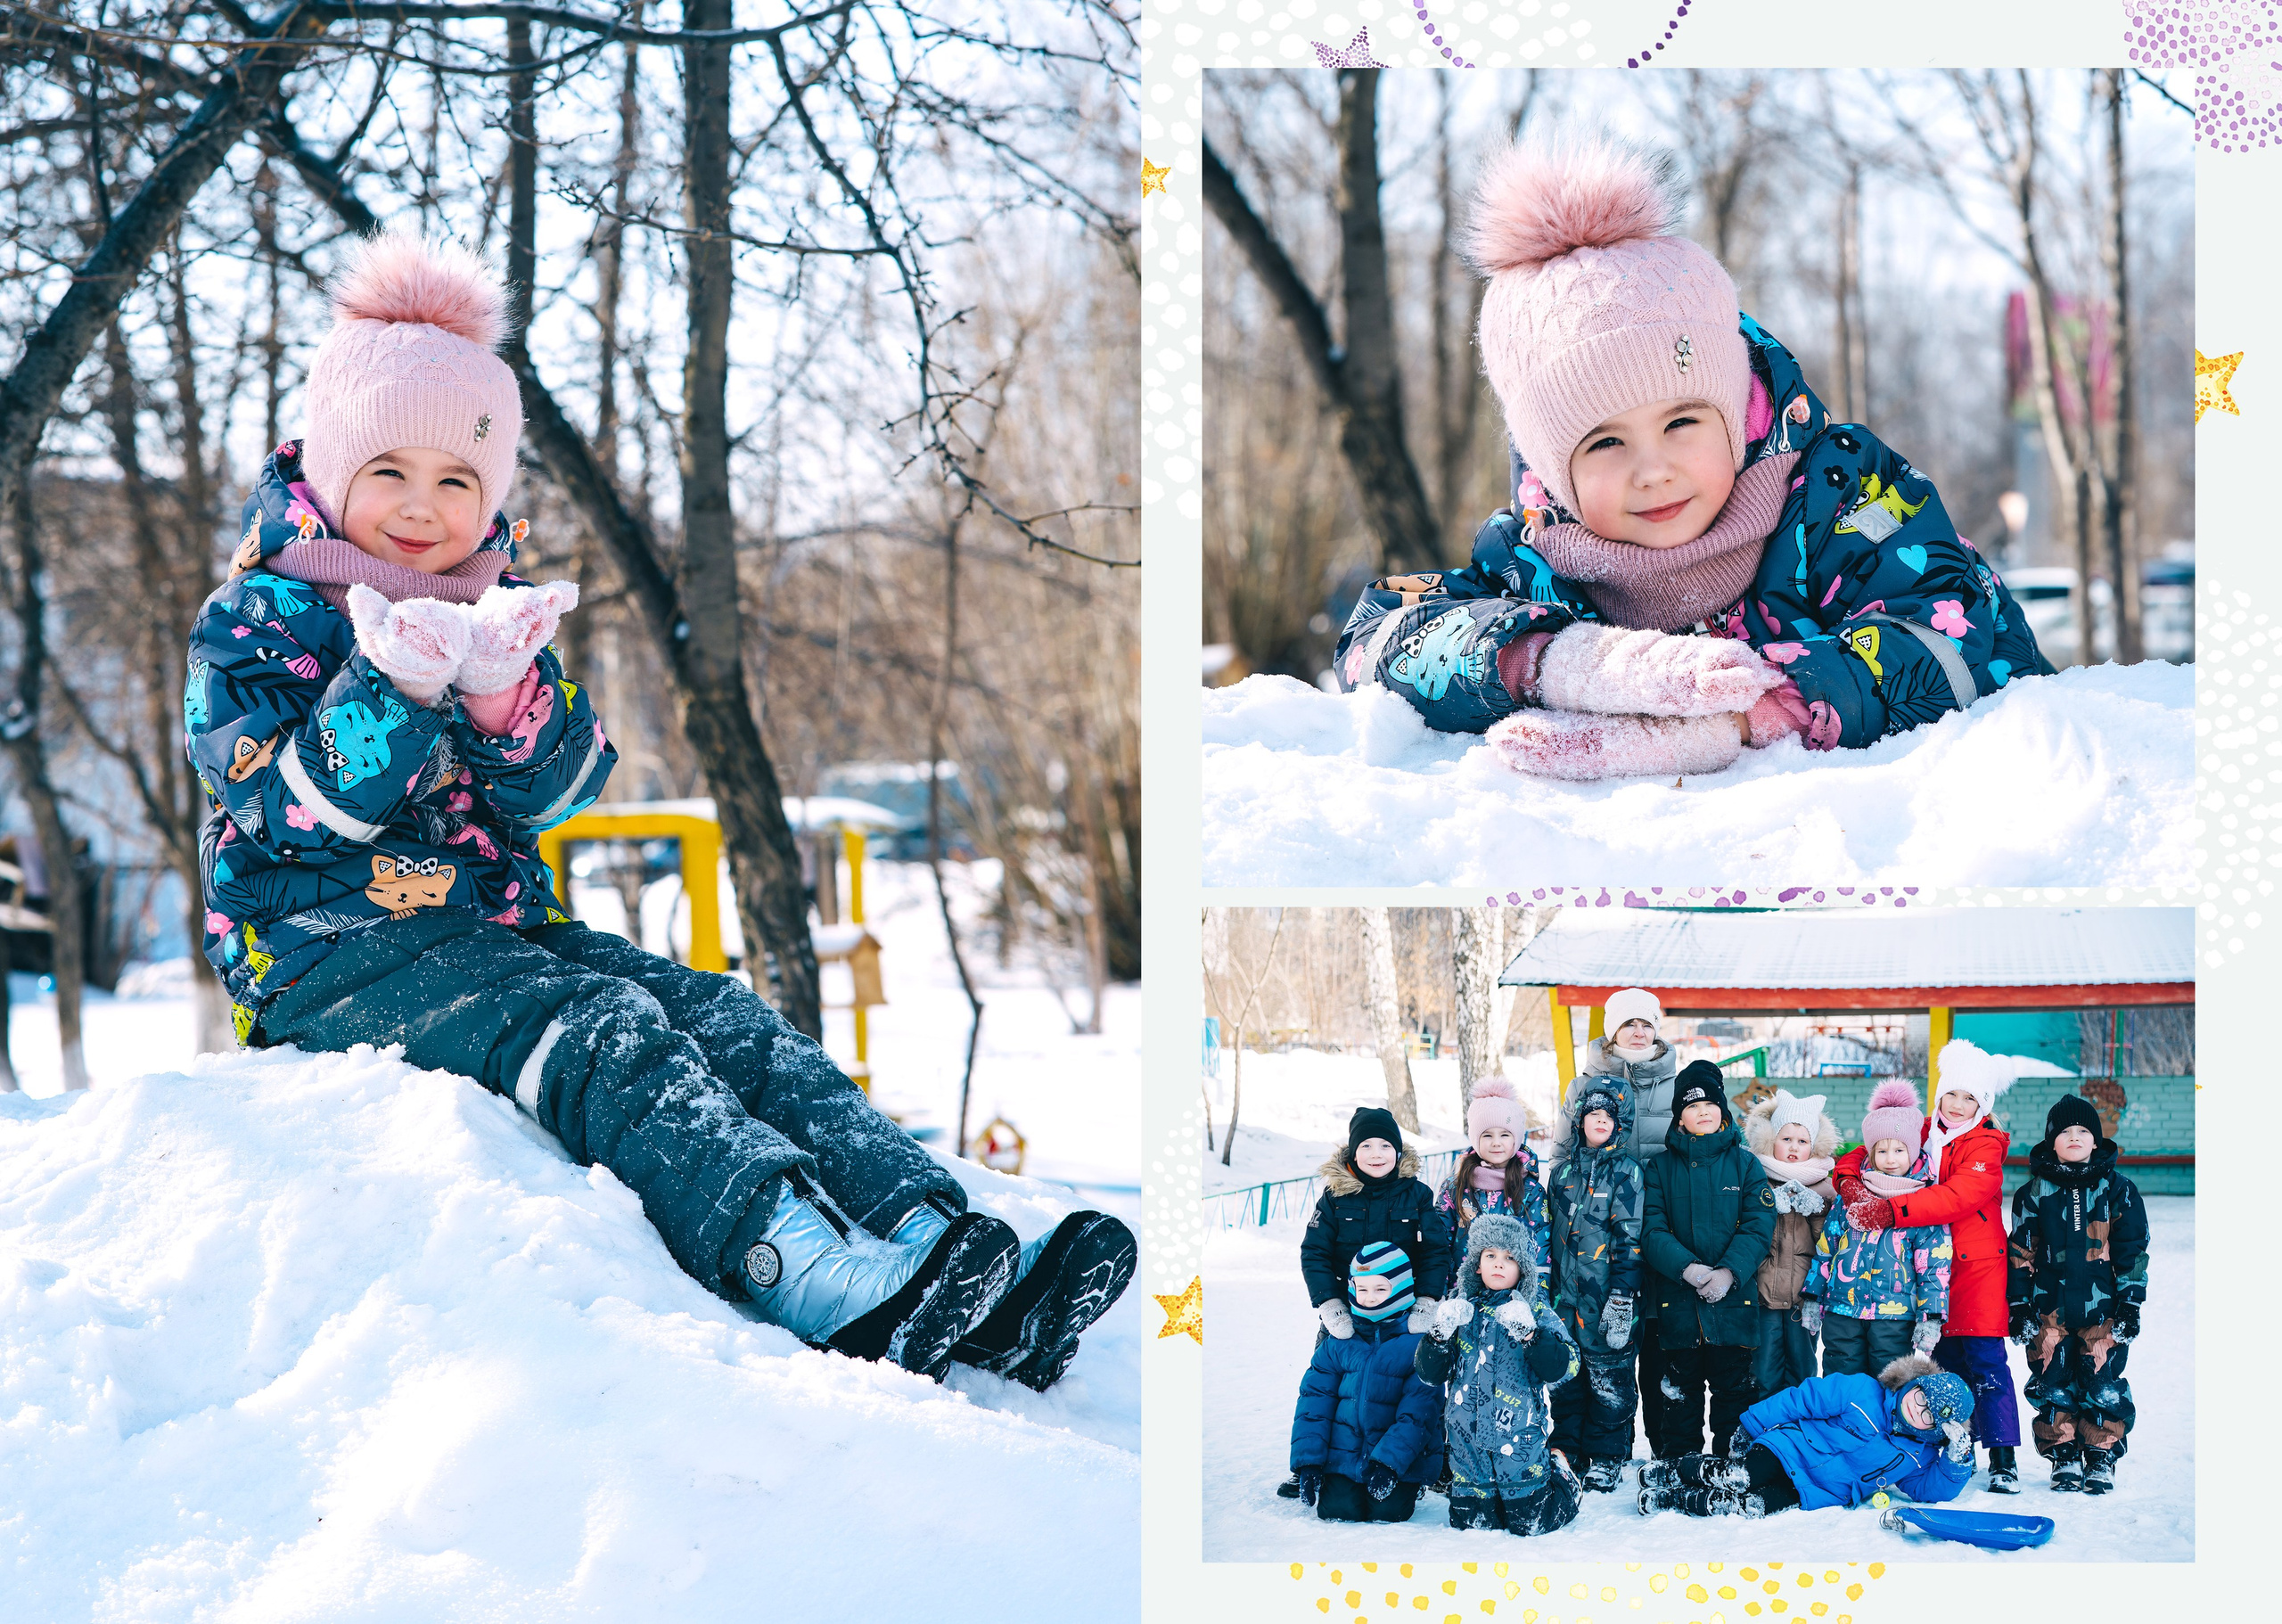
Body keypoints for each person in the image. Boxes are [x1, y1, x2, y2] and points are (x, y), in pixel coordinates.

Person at [185, 232, 1132, 1390]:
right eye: (390, 471)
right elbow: (290, 819)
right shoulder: (259, 619)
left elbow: (563, 788)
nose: (423, 509)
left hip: (494, 932)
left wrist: (498, 691)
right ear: (332, 469)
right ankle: (803, 1266)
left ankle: (946, 1253)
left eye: (457, 481)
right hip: (325, 957)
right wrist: (396, 684)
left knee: (724, 1019)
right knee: (603, 1034)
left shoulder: (490, 609)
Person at [1332, 133, 2050, 781]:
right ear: (1555, 470)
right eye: (1606, 442)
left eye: (1682, 421)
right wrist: (1572, 665)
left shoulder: (1841, 499)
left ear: (1735, 415)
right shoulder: (1534, 560)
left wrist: (1744, 720)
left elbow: (1953, 630)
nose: (1655, 468)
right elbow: (1373, 643)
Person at [1831, 1041, 2023, 1492]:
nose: (1958, 1106)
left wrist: (1890, 1211)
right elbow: (1862, 1152)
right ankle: (1955, 1446)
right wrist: (1848, 1184)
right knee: (1939, 1364)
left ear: (1983, 1104)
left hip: (1975, 1271)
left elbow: (1957, 1197)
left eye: (1970, 1098)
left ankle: (2003, 1456)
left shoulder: (1986, 1145)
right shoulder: (1917, 1128)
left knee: (1986, 1363)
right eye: (1951, 1095)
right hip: (1923, 1269)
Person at [2008, 1094, 2150, 1495]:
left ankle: (2101, 1454)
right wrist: (2018, 1307)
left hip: (2103, 1311)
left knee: (2101, 1380)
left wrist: (2131, 1303)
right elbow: (2020, 1252)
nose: (2074, 1137)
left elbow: (2132, 1251)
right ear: (2051, 1141)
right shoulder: (2032, 1193)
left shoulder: (2118, 1190)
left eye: (2083, 1131)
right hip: (2046, 1313)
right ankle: (2063, 1453)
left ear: (2096, 1140)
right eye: (2065, 1132)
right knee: (2051, 1380)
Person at [1638, 1354, 1975, 1518]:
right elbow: (1801, 1399)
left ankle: (1674, 1500)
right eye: (1921, 1399)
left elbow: (1930, 1492)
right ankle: (1673, 1471)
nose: (1920, 1411)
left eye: (1931, 1416)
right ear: (1914, 1386)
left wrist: (1958, 1461)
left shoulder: (1921, 1456)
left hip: (1817, 1490)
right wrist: (1751, 1426)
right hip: (1791, 1449)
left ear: (1938, 1430)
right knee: (1741, 1477)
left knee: (1752, 1506)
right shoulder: (1862, 1390)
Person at [1638, 1062, 1777, 1463]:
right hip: (1677, 1305)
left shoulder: (1745, 1164)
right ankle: (1679, 1464)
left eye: (1710, 1103)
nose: (1703, 1110)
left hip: (1733, 1304)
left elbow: (1758, 1225)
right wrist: (1689, 1269)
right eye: (1692, 1104)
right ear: (1678, 1115)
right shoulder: (1659, 1169)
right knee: (1678, 1393)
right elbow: (1652, 1231)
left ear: (1723, 1110)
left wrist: (1728, 1271)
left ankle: (1732, 1463)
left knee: (1735, 1390)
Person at [1416, 1214, 1582, 1535]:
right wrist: (1438, 1333)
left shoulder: (1534, 1310)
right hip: (1467, 1441)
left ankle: (1562, 1478)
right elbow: (1430, 1375)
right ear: (1476, 1264)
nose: (1498, 1264)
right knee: (1473, 1525)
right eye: (1490, 1255)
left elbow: (1567, 1366)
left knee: (1529, 1523)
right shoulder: (1458, 1308)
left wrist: (1531, 1336)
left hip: (1517, 1438)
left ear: (1522, 1269)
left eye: (1509, 1258)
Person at [1800, 1081, 1952, 1379]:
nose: (1890, 1158)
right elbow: (1826, 1249)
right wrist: (1812, 1296)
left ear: (1913, 1150)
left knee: (1887, 1384)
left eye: (1899, 1149)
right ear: (1870, 1152)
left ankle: (1883, 1428)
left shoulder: (1923, 1202)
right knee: (1840, 1383)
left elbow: (1934, 1265)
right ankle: (1841, 1428)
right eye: (1881, 1150)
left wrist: (1931, 1316)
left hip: (1893, 1318)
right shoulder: (1851, 1196)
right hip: (1842, 1311)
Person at [1287, 1243, 1446, 1523]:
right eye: (1362, 1289)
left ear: (1399, 1288)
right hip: (1344, 1456)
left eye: (1380, 1289)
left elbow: (1419, 1413)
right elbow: (1314, 1403)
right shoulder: (1339, 1343)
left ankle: (1408, 1484)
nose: (1369, 1298)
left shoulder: (1417, 1345)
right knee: (1337, 1511)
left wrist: (1389, 1464)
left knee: (1389, 1512)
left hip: (1398, 1461)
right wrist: (1308, 1463)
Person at [1544, 1079, 1646, 1493]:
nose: (1599, 1122)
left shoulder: (1627, 1172)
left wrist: (1622, 1297)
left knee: (1610, 1383)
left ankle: (1607, 1455)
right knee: (1567, 1381)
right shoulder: (1562, 1174)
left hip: (1606, 1299)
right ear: (1580, 1122)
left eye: (1607, 1116)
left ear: (1618, 1124)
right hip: (1564, 1302)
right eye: (1592, 1116)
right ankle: (1568, 1449)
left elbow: (1632, 1238)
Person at [1300, 1108, 1456, 1338]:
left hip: (1403, 1313)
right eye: (1366, 1146)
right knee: (1333, 1369)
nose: (1376, 1154)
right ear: (1354, 1153)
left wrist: (1426, 1300)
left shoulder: (1417, 1195)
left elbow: (1435, 1249)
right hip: (1349, 1311)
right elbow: (1314, 1251)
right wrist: (1330, 1304)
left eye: (1385, 1145)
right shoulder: (1335, 1197)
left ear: (1398, 1152)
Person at [1739, 1088, 1837, 1401]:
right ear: (1770, 1140)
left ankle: (1797, 1438)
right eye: (1786, 1139)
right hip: (1762, 1296)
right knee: (1762, 1373)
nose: (1794, 1148)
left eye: (1802, 1141)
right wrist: (1768, 1206)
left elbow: (1830, 1243)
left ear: (1814, 1146)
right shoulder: (1754, 1178)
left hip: (1803, 1298)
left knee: (1802, 1372)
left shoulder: (1825, 1186)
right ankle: (1761, 1437)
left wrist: (1816, 1210)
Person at [1433, 1075, 1550, 1270]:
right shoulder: (1455, 1188)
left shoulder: (1531, 1191)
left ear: (1517, 1139)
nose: (1496, 1142)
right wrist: (1440, 1292)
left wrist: (1535, 1297)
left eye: (1505, 1135)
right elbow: (1439, 1244)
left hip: (1514, 1295)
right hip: (1462, 1291)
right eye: (1487, 1135)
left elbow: (1540, 1249)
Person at [1549, 988, 1678, 1164]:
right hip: (1599, 1191)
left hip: (1660, 1192)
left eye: (1647, 1025)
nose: (1640, 1032)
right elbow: (1561, 1155)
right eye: (1629, 1024)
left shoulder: (1676, 1088)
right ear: (1614, 1031)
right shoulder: (1582, 1087)